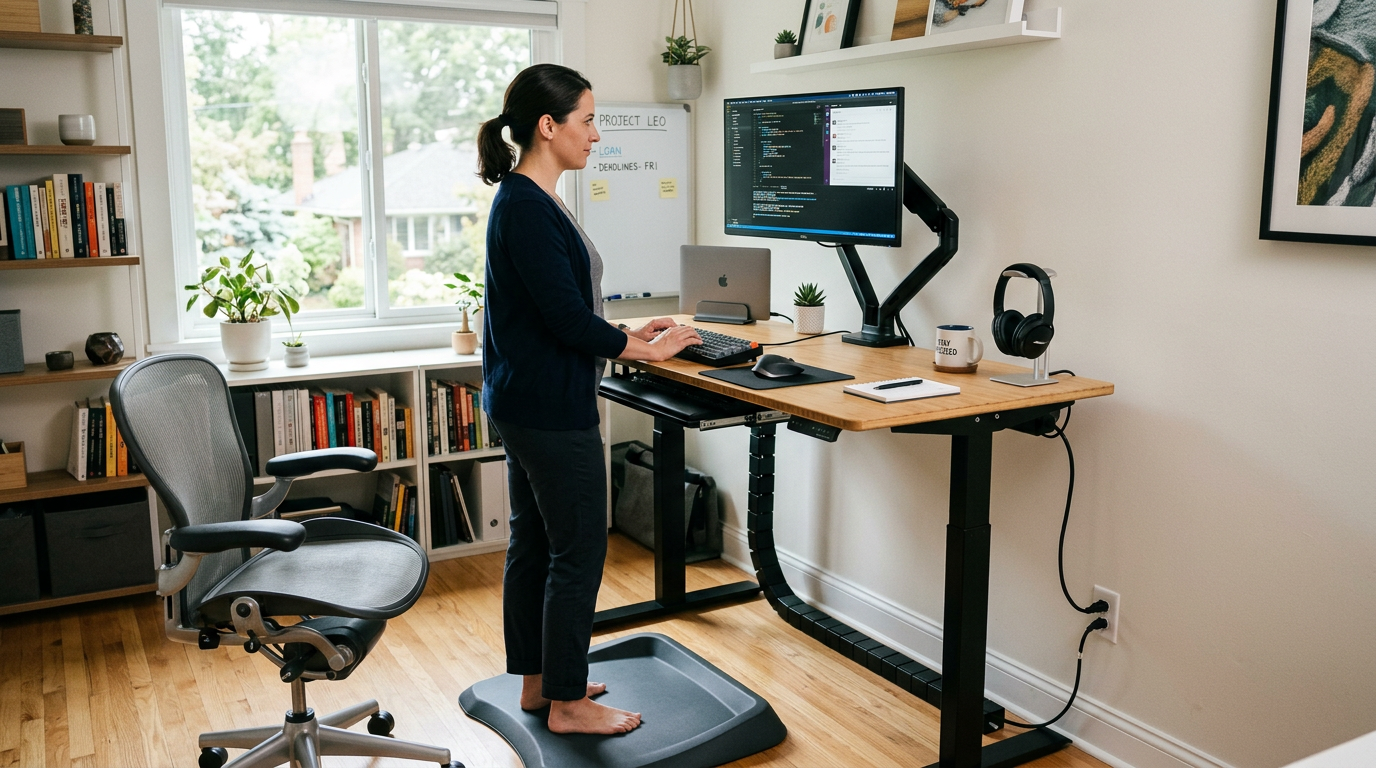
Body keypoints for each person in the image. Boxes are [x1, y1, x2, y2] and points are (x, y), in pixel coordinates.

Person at [475, 63, 701, 736]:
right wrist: (649, 351)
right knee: (577, 550)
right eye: (589, 120)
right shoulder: (525, 207)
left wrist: (634, 329)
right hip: (549, 409)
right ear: (549, 127)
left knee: (537, 545)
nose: (597, 135)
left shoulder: (530, 201)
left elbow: (561, 311)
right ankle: (569, 704)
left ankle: (540, 685)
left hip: (524, 400)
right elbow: (570, 325)